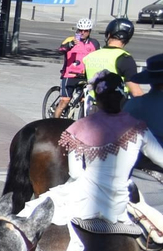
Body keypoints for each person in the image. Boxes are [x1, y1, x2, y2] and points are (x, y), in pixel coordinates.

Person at [39, 70, 163, 230]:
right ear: (122, 98)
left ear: (96, 98)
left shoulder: (80, 127)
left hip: (83, 197)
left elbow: (76, 173)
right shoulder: (137, 128)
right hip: (119, 201)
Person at [83, 17, 143, 98]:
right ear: (127, 39)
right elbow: (136, 92)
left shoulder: (89, 57)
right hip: (115, 106)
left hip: (92, 105)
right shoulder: (125, 58)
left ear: (109, 35)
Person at [52, 18, 98, 118]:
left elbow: (98, 56)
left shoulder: (94, 43)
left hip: (85, 75)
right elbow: (61, 49)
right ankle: (53, 123)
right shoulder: (70, 40)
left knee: (84, 100)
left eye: (85, 31)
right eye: (80, 30)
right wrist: (70, 45)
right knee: (65, 100)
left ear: (89, 31)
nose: (82, 33)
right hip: (70, 74)